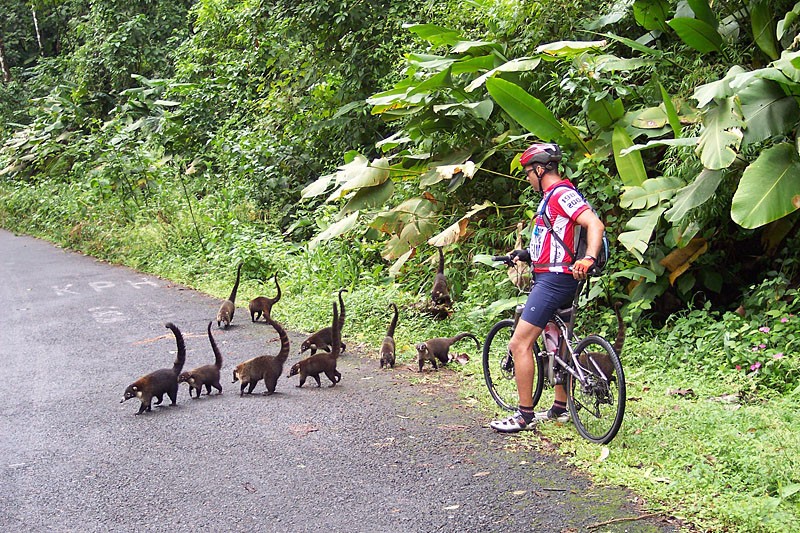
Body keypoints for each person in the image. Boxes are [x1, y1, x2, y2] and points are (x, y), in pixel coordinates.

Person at [489, 142, 605, 433]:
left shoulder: (561, 194)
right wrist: (526, 255)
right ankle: (559, 407)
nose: (528, 177)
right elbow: (555, 239)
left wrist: (589, 257)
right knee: (556, 340)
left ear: (540, 169)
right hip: (553, 276)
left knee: (519, 343)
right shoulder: (549, 197)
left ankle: (524, 415)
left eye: (529, 172)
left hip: (555, 280)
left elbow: (594, 224)